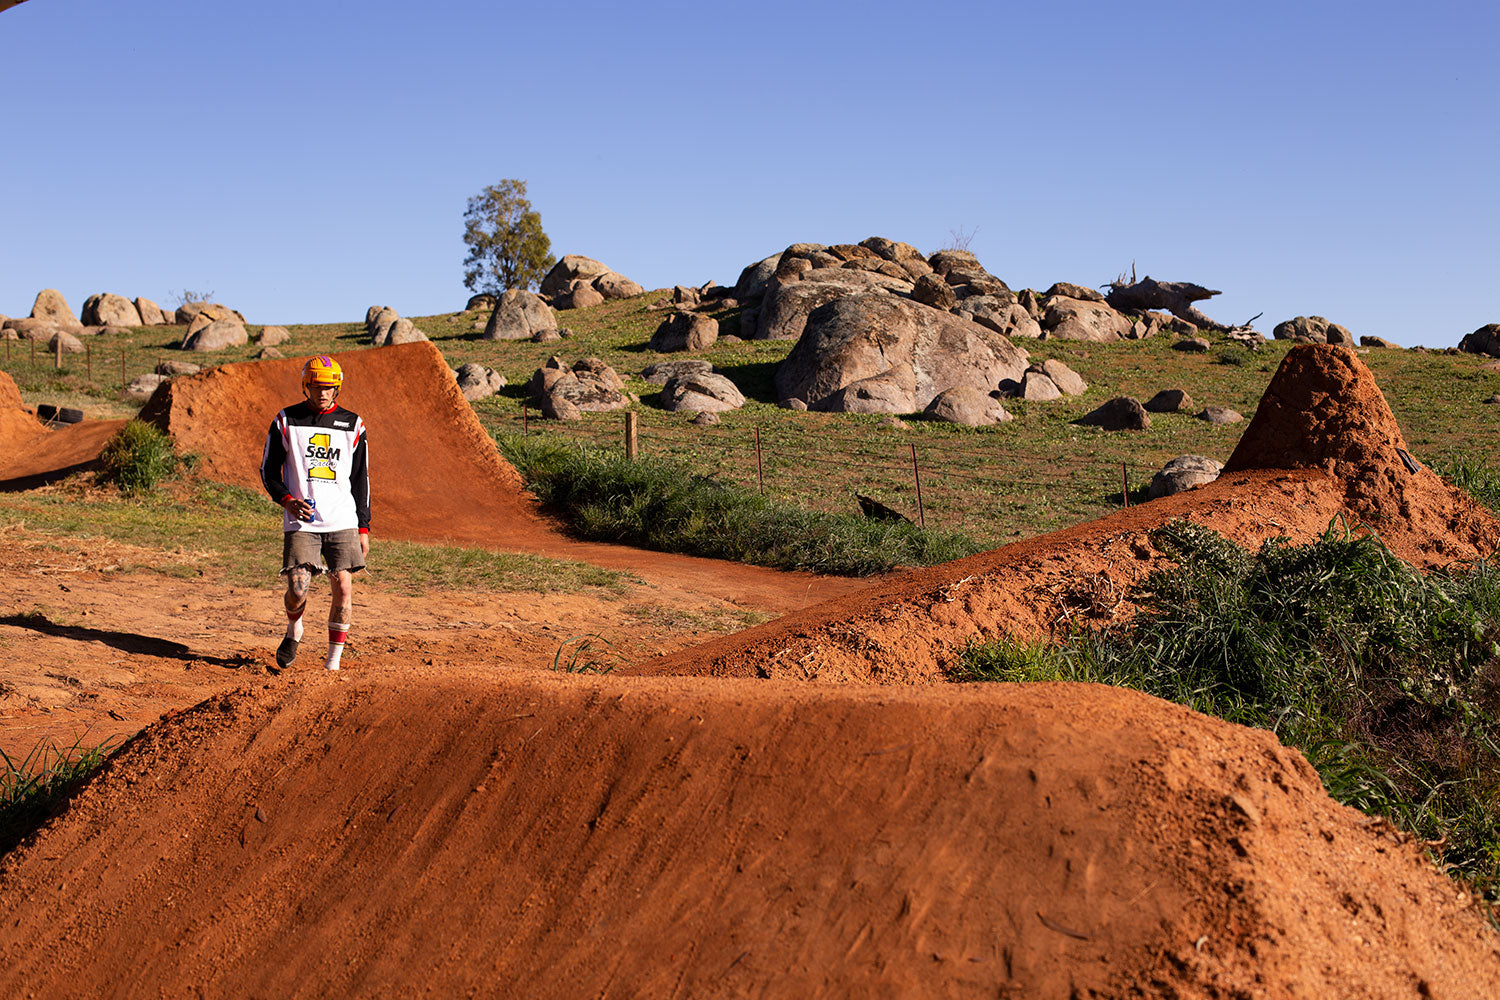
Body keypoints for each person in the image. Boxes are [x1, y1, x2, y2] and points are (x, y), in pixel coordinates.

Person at [259, 355, 370, 672]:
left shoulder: (353, 424)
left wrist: (363, 527)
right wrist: (287, 499)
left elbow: (361, 479)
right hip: (301, 520)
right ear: (305, 386)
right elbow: (268, 471)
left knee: (343, 588)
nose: (323, 393)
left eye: (329, 387)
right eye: (317, 386)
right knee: (297, 588)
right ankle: (295, 627)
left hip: (343, 520)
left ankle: (332, 665)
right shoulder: (286, 420)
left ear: (337, 388)